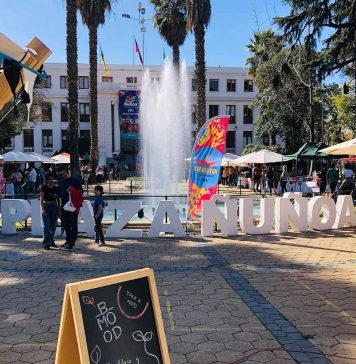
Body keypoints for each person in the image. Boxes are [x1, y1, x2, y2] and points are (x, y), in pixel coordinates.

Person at [58, 168, 83, 251]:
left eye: (62, 174)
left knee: (73, 224)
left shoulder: (74, 180)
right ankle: (68, 241)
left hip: (73, 206)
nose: (61, 176)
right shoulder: (61, 181)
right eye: (60, 175)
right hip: (64, 206)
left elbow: (81, 191)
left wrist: (72, 190)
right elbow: (59, 192)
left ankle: (72, 243)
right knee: (66, 225)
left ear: (67, 172)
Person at [40, 175, 60, 250]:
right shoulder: (44, 187)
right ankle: (46, 243)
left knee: (53, 226)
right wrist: (42, 208)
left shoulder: (56, 188)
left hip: (54, 206)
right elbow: (41, 199)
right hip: (46, 206)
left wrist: (59, 210)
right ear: (47, 180)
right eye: (49, 179)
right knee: (47, 226)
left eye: (52, 178)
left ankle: (51, 241)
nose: (51, 180)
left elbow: (58, 199)